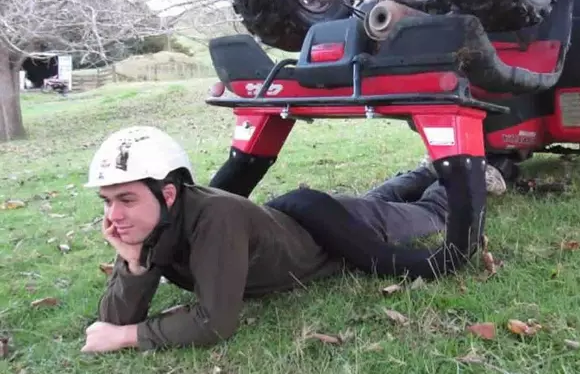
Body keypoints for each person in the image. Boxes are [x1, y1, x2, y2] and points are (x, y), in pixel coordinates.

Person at [80, 125, 506, 353]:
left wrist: (124, 338)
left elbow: (215, 322)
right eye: (107, 201)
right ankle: (426, 169)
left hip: (344, 230)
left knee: (425, 214)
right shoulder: (156, 221)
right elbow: (111, 318)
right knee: (377, 199)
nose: (113, 216)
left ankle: (472, 174)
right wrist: (133, 263)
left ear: (167, 193)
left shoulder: (214, 218)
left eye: (126, 199)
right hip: (310, 216)